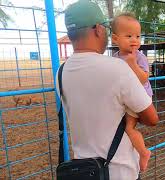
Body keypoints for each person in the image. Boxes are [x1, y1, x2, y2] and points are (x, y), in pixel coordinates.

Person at [58, 1, 159, 179]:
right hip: (120, 171)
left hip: (85, 171)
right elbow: (152, 118)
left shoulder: (61, 72)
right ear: (98, 29)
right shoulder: (117, 67)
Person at [111, 13, 152, 172]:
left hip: (140, 97)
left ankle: (143, 153)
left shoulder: (140, 57)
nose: (134, 40)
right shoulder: (114, 58)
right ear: (115, 39)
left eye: (137, 36)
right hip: (125, 97)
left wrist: (133, 63)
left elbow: (143, 79)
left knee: (129, 128)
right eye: (129, 36)